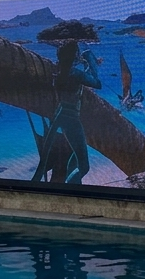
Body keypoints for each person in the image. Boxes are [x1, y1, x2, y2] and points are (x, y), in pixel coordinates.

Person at [32, 40, 102, 184]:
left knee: (76, 157)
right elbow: (97, 83)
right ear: (74, 55)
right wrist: (90, 58)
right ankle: (70, 186)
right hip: (72, 118)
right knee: (84, 167)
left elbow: (81, 80)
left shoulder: (60, 73)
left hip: (62, 116)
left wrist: (87, 65)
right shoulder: (75, 73)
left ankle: (73, 183)